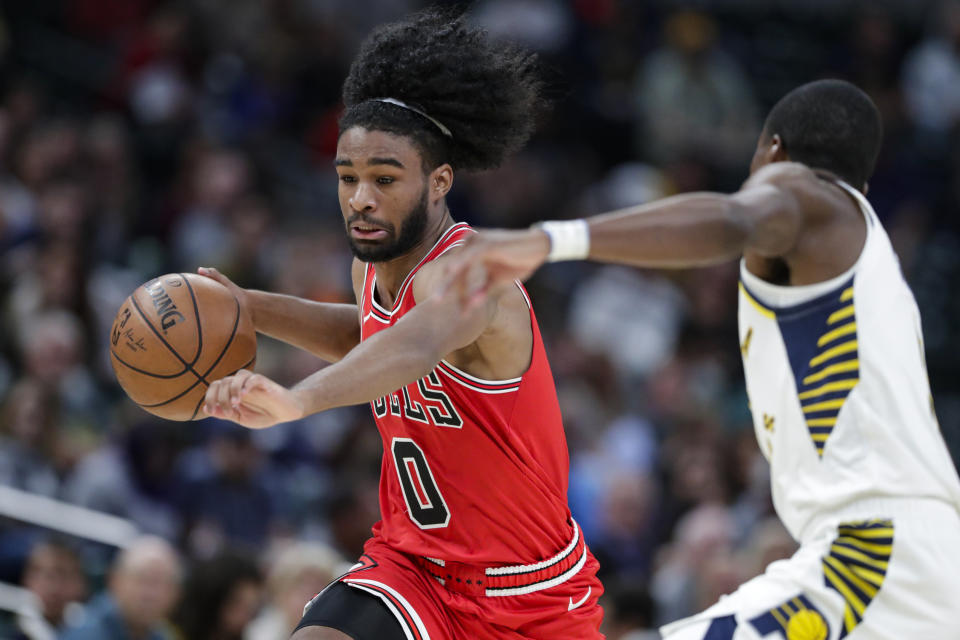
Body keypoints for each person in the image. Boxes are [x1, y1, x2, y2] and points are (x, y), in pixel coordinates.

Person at [449, 79, 960, 639]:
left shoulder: (806, 191)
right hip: (924, 559)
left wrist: (548, 240)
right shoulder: (869, 269)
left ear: (773, 152)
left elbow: (737, 219)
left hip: (873, 550)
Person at [200, 8, 604, 640]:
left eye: (384, 179)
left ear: (439, 181)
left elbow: (415, 343)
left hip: (528, 592)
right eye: (347, 178)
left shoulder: (473, 272)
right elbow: (368, 335)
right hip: (411, 568)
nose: (361, 197)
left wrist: (297, 399)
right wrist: (246, 306)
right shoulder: (375, 268)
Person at [60, 536, 181, 640]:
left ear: (175, 593)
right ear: (115, 581)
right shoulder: (85, 633)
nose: (149, 594)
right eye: (142, 580)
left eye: (158, 583)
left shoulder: (161, 635)